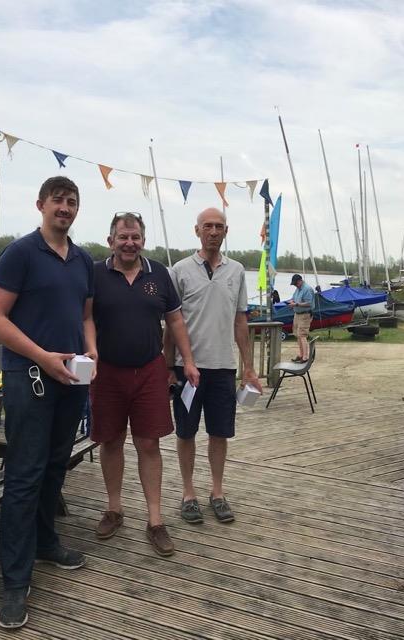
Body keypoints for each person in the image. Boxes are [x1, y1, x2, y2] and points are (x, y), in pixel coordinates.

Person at [0, 176, 97, 630]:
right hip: (29, 376)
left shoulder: (83, 259)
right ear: (40, 205)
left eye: (72, 202)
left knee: (54, 465)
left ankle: (46, 542)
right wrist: (42, 357)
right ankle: (14, 580)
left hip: (72, 378)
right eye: (58, 201)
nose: (64, 208)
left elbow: (86, 316)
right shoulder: (21, 253)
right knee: (24, 473)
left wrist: (92, 350)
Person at [91, 212, 199, 557]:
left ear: (143, 240)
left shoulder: (159, 274)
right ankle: (114, 508)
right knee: (110, 441)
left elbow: (176, 320)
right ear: (111, 241)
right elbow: (82, 317)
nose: (129, 243)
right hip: (105, 371)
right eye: (123, 237)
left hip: (149, 369)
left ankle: (155, 520)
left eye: (135, 237)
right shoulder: (95, 274)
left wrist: (189, 361)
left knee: (148, 443)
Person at [164, 207, 262, 525]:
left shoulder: (236, 271)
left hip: (222, 367)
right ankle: (188, 494)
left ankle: (217, 493)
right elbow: (170, 323)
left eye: (219, 226)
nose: (214, 231)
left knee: (220, 433)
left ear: (226, 231)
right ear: (197, 231)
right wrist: (167, 366)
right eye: (208, 226)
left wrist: (248, 367)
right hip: (186, 369)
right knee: (187, 432)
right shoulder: (179, 271)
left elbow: (240, 321)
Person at [288, 274, 315, 362]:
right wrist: (292, 301)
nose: (295, 285)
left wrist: (296, 304)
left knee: (302, 335)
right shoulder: (298, 289)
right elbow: (294, 298)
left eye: (296, 283)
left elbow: (309, 303)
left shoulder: (307, 289)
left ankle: (305, 357)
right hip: (297, 314)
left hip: (305, 314)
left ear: (300, 281)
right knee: (297, 334)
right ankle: (300, 354)